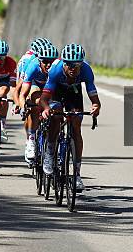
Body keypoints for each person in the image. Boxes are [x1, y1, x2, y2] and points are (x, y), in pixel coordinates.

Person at [39, 43, 101, 191]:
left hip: (74, 93)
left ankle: (77, 174)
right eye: (69, 65)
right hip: (57, 93)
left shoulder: (86, 70)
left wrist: (96, 106)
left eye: (76, 65)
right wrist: (46, 109)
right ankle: (49, 153)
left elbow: (93, 94)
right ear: (63, 63)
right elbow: (43, 98)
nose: (73, 68)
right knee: (56, 115)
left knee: (76, 125)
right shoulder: (55, 70)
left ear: (81, 64)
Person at [18, 43, 59, 164]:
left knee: (57, 108)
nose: (48, 65)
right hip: (36, 85)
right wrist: (22, 107)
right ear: (39, 60)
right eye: (45, 62)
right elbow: (22, 94)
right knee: (36, 103)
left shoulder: (57, 68)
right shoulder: (33, 66)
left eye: (51, 62)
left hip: (51, 86)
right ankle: (31, 139)